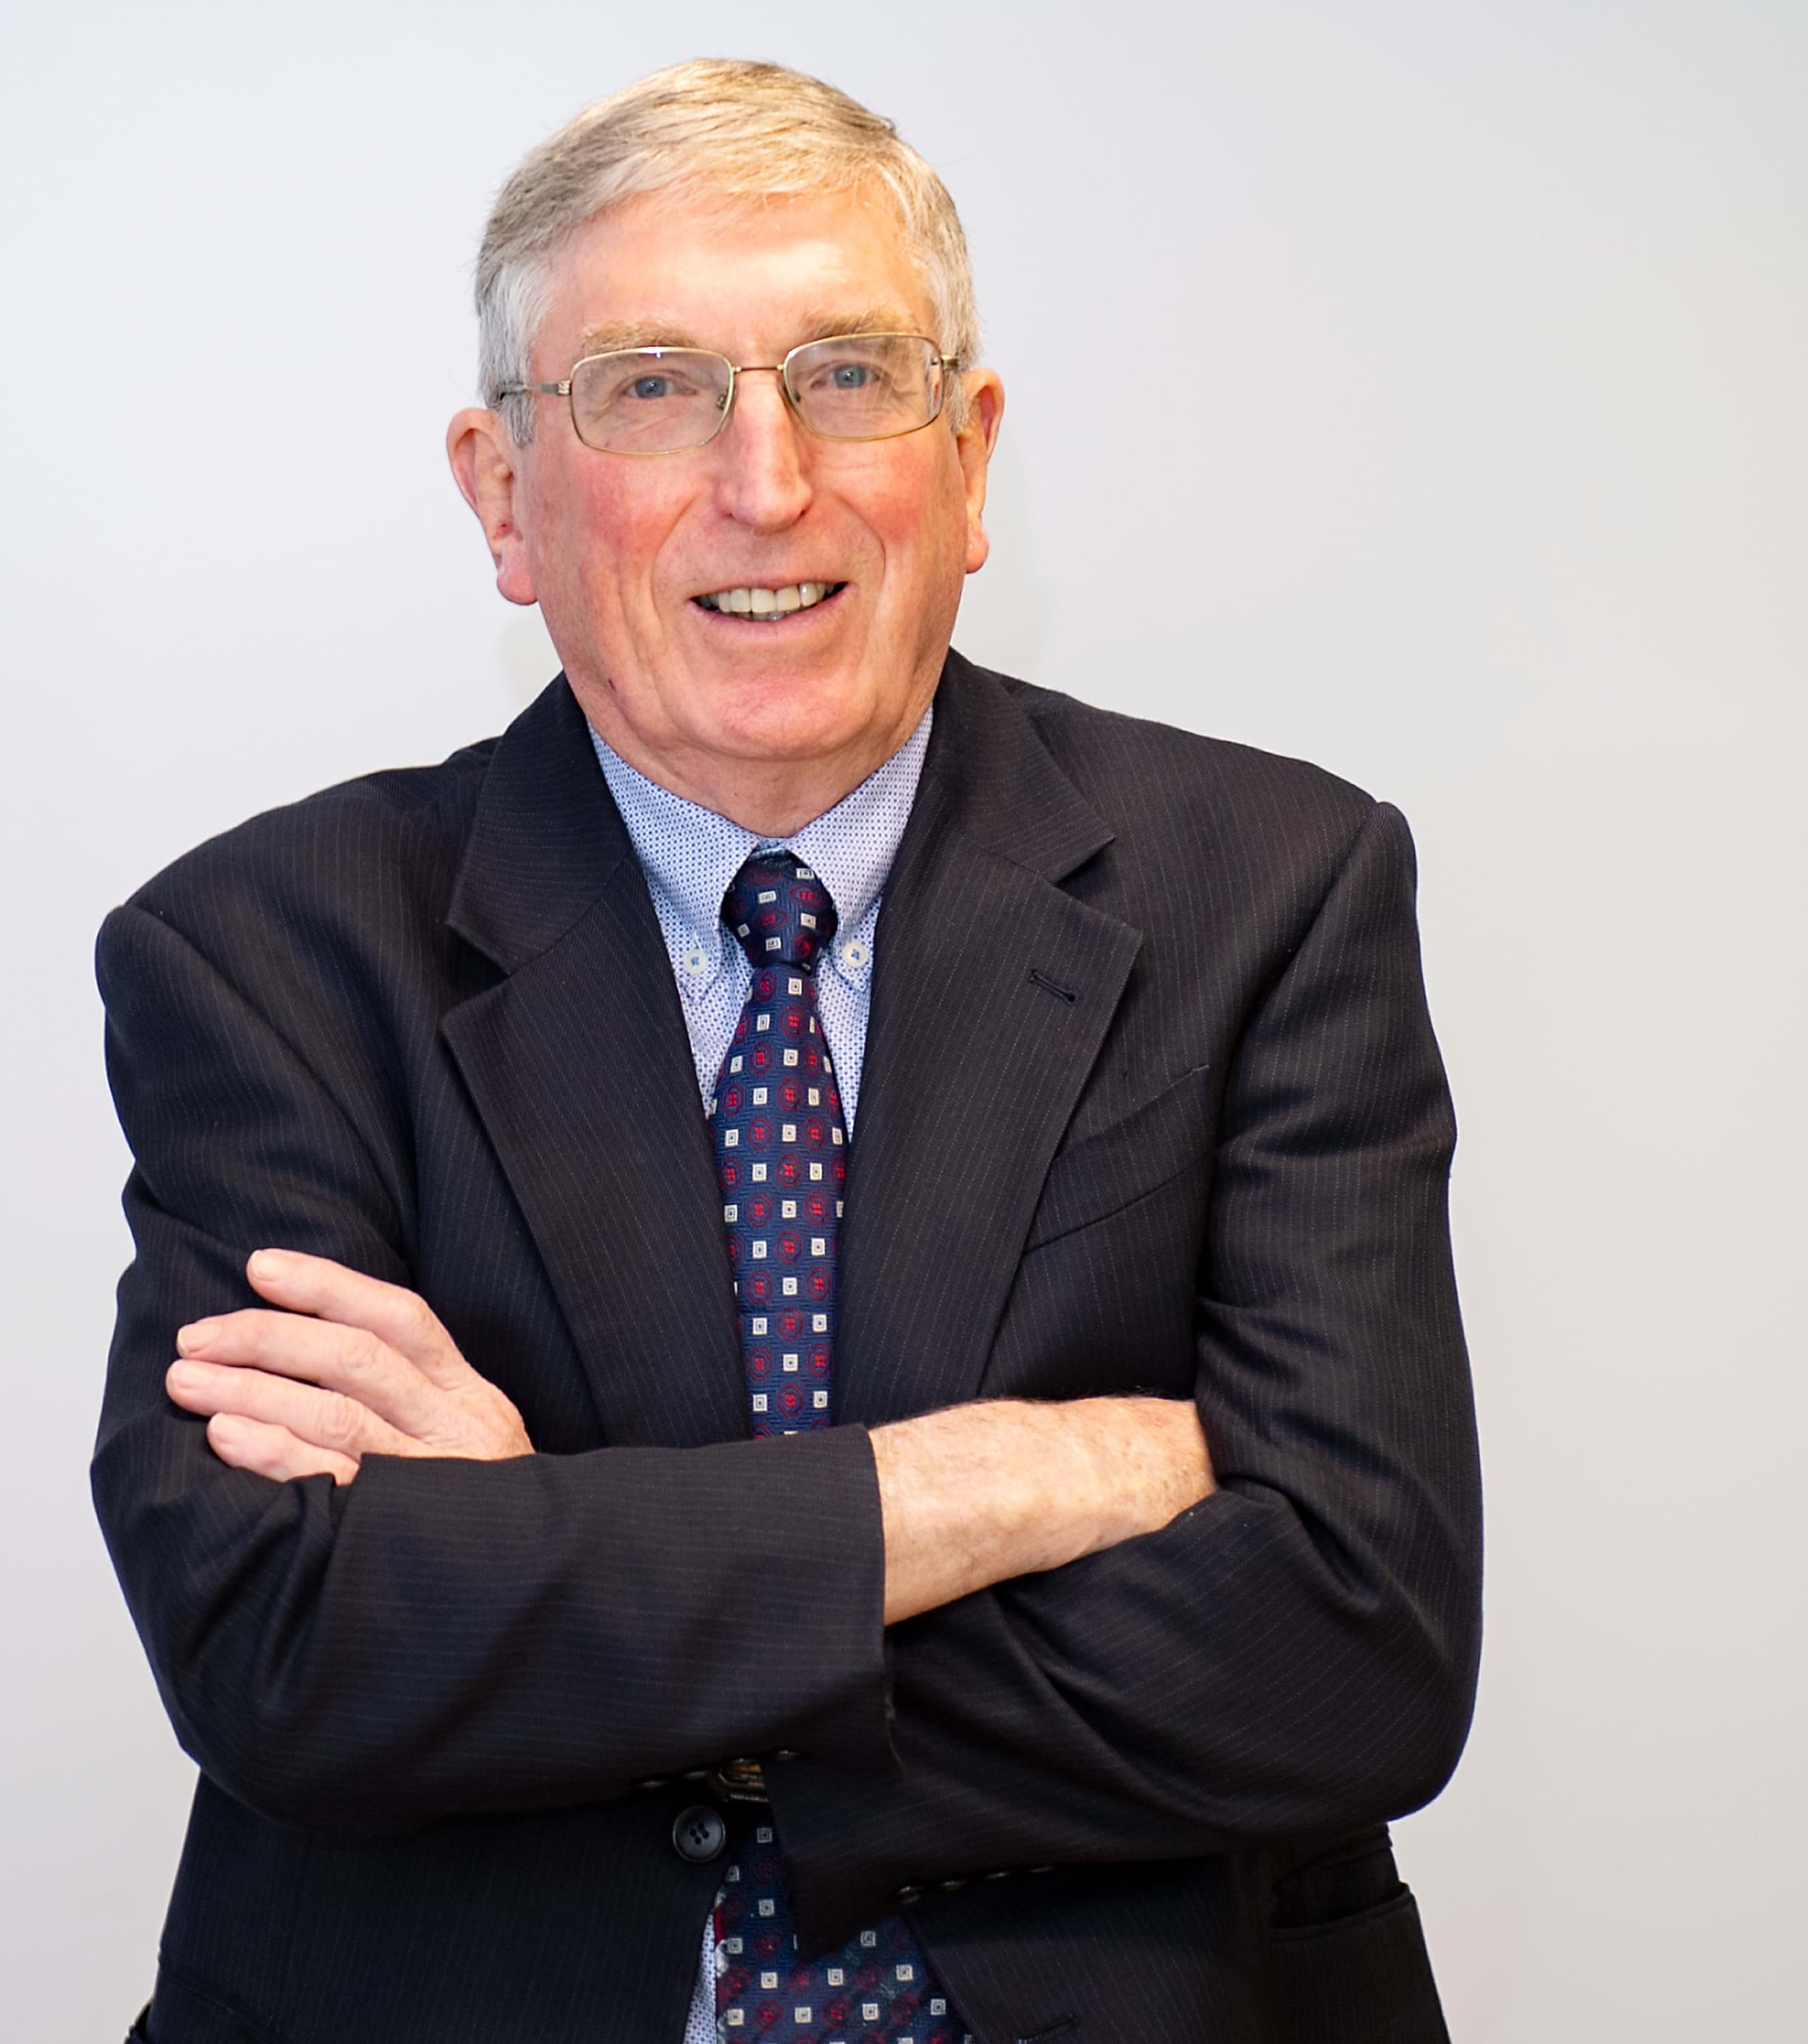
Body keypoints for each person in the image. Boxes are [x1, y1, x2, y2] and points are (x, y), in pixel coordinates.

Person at [90, 58, 1478, 2044]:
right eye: (654, 387)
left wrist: (560, 1563)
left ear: (970, 464)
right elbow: (287, 1644)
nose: (768, 482)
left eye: (848, 375)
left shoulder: (1267, 891)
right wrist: (1002, 1482)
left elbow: (1356, 1653)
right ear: (503, 494)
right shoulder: (267, 955)